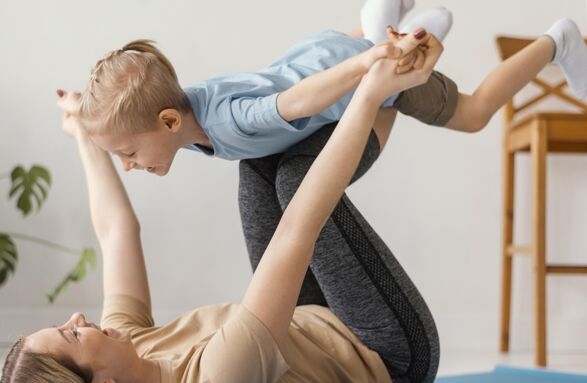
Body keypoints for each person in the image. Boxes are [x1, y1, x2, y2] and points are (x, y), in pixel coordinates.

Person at [1, 29, 444, 383]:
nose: (79, 317)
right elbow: (297, 231)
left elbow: (116, 231)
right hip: (383, 356)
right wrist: (368, 94)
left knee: (258, 157)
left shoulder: (130, 350)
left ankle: (351, 58)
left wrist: (85, 135)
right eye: (72, 333)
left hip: (306, 323)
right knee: (292, 185)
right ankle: (384, 81)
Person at [57, 7, 586, 175]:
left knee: (471, 114)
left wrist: (370, 64)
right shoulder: (178, 101)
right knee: (363, 50)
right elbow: (128, 105)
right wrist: (81, 110)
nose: (128, 165)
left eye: (127, 154)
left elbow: (301, 101)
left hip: (345, 75)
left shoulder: (230, 123)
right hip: (318, 50)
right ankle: (390, 27)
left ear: (169, 123)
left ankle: (556, 42)